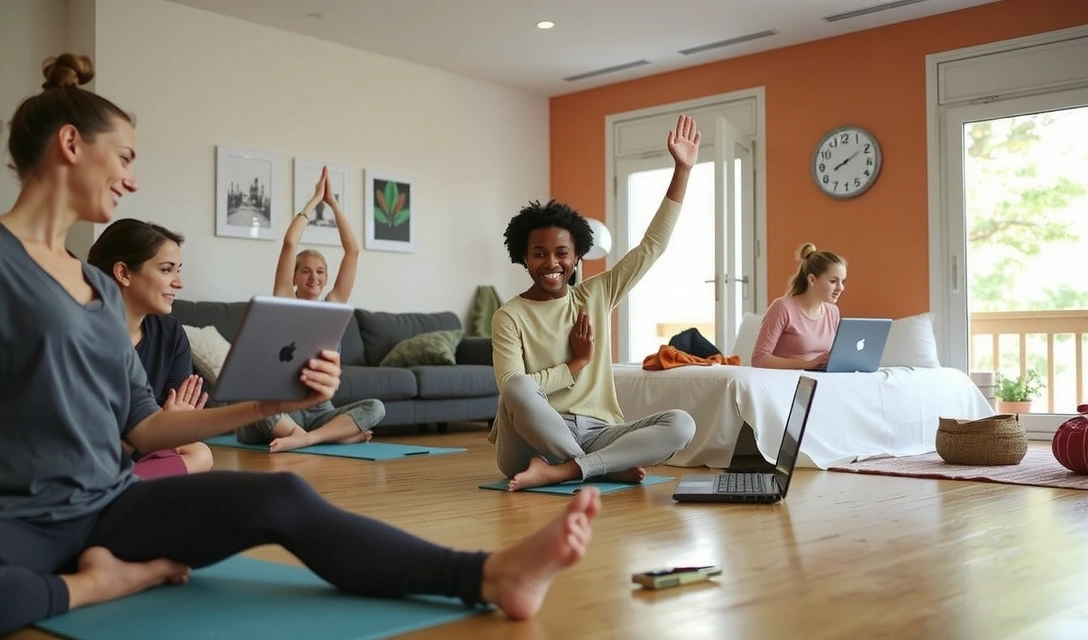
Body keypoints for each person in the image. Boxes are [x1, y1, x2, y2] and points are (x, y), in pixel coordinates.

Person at [0, 53, 600, 635]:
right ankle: (103, 583)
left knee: (283, 493)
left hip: (111, 506)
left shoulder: (97, 288)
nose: (131, 179)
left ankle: (489, 576)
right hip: (22, 517)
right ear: (71, 144)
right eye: (124, 158)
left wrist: (266, 405)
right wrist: (103, 583)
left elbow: (145, 425)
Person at [489, 114, 700, 492]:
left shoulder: (596, 294)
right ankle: (598, 467)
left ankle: (568, 469)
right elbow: (514, 391)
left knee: (682, 423)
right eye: (539, 253)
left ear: (577, 256)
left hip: (597, 432)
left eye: (561, 253)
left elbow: (651, 247)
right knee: (517, 387)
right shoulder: (510, 316)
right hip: (528, 441)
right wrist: (576, 363)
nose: (551, 263)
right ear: (524, 257)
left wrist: (682, 171)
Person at [235, 165, 384, 452]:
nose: (313, 277)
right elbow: (290, 243)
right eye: (305, 271)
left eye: (320, 271)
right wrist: (315, 201)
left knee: (375, 407)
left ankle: (308, 438)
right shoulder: (283, 300)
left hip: (319, 411)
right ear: (294, 276)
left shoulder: (333, 306)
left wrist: (334, 203)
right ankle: (332, 435)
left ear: (327, 278)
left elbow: (352, 251)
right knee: (253, 402)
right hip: (279, 411)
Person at [87, 219, 215, 479]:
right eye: (166, 270)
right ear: (123, 273)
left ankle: (117, 485)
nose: (179, 283)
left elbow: (173, 423)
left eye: (178, 270)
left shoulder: (170, 333)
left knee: (200, 453)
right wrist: (157, 425)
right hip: (87, 455)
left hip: (142, 452)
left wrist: (170, 424)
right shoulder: (80, 332)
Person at [750, 243, 847, 370]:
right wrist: (807, 364)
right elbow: (759, 358)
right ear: (812, 280)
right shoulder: (782, 308)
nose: (841, 288)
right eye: (833, 281)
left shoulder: (833, 311)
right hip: (790, 378)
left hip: (821, 378)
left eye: (843, 281)